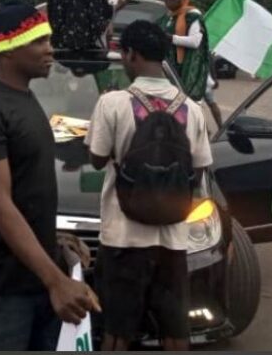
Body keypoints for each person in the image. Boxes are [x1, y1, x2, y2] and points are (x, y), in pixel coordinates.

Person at [0, 2, 99, 350]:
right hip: (4, 283)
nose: (49, 48)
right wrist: (57, 283)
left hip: (38, 270)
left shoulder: (24, 96)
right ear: (6, 51)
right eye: (38, 41)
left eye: (48, 39)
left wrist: (55, 240)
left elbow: (27, 189)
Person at [87, 20, 213, 350]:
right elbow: (198, 172)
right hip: (172, 240)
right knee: (175, 330)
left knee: (116, 331)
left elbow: (97, 160)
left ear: (131, 55)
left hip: (122, 238)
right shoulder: (192, 109)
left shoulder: (111, 103)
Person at [158, 0, 210, 102]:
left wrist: (171, 38)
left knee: (188, 103)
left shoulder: (192, 15)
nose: (167, 1)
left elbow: (195, 42)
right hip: (170, 67)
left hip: (189, 67)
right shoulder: (167, 17)